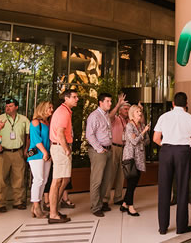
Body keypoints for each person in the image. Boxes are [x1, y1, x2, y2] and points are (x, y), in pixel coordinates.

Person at [153, 92, 191, 235]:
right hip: (183, 153)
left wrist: (167, 146)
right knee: (182, 189)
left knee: (164, 189)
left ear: (173, 103)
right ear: (186, 103)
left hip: (166, 151)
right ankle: (181, 227)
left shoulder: (164, 117)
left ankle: (163, 227)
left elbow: (156, 138)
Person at [85, 92, 128, 217]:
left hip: (108, 150)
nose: (110, 103)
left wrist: (119, 104)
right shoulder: (94, 116)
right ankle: (95, 207)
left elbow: (112, 115)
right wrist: (99, 148)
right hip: (99, 151)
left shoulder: (105, 115)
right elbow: (89, 135)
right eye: (108, 101)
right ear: (101, 102)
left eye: (110, 101)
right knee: (96, 180)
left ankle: (102, 203)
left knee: (106, 179)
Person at [0, 99, 31, 212]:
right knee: (0, 179)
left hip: (18, 151)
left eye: (11, 106)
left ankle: (18, 201)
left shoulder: (24, 120)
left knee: (19, 178)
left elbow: (27, 135)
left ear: (17, 107)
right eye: (7, 106)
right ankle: (0, 203)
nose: (8, 108)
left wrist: (26, 149)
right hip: (2, 152)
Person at [48, 89, 79, 224]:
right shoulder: (63, 112)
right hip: (60, 148)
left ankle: (55, 208)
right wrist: (66, 149)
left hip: (61, 147)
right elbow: (60, 133)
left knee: (64, 179)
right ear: (66, 98)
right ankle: (53, 214)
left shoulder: (65, 111)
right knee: (57, 181)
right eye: (74, 97)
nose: (77, 99)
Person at [122, 104, 150, 217]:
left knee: (134, 182)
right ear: (133, 113)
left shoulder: (142, 125)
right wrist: (142, 134)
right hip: (131, 157)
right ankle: (130, 206)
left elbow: (147, 140)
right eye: (138, 111)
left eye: (140, 111)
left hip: (140, 157)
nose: (140, 113)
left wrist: (139, 137)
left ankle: (124, 203)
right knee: (132, 182)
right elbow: (133, 142)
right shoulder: (129, 126)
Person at [27, 101, 53, 218]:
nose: (51, 110)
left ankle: (37, 205)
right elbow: (36, 140)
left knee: (44, 180)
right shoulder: (35, 122)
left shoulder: (47, 123)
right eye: (49, 108)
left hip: (46, 154)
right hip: (37, 154)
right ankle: (36, 206)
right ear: (43, 109)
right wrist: (45, 152)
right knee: (38, 179)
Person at [105, 101, 131, 208]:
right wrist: (117, 105)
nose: (127, 111)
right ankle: (105, 199)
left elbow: (141, 122)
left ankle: (118, 197)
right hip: (114, 147)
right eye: (125, 109)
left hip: (125, 148)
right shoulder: (115, 118)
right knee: (110, 173)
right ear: (120, 110)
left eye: (128, 109)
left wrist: (140, 110)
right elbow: (109, 116)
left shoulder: (129, 121)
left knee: (121, 174)